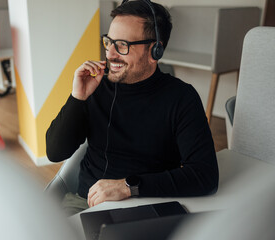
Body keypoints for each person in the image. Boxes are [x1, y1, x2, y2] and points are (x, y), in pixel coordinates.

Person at [46, 0, 218, 216]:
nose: (110, 54)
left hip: (150, 206)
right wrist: (77, 97)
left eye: (122, 45)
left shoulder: (182, 98)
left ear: (155, 51)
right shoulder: (95, 89)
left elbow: (205, 176)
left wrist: (128, 186)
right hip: (86, 203)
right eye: (109, 42)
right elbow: (54, 152)